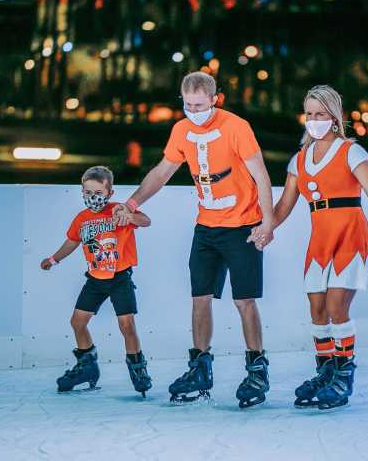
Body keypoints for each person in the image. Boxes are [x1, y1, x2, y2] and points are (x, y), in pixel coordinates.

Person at [113, 72, 275, 407]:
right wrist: (132, 202)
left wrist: (268, 223)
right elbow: (161, 172)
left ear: (215, 99)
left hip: (243, 226)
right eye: (187, 104)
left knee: (244, 300)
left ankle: (257, 368)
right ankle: (200, 366)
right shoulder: (181, 131)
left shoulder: (237, 126)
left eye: (200, 105)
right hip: (206, 228)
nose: (193, 110)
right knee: (200, 297)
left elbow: (260, 174)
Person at [262, 85, 368, 410]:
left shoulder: (352, 152)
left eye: (321, 114)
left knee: (336, 307)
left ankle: (344, 374)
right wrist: (264, 228)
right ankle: (326, 371)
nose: (314, 120)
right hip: (320, 241)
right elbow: (284, 206)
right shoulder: (298, 160)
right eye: (310, 114)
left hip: (350, 236)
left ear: (334, 117)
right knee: (317, 311)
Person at [40, 166, 153, 396]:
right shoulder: (81, 220)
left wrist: (129, 215)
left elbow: (145, 221)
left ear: (109, 193)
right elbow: (72, 242)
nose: (93, 197)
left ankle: (137, 367)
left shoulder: (118, 210)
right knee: (77, 322)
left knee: (127, 325)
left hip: (120, 278)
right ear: (82, 192)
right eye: (88, 192)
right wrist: (54, 258)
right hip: (95, 279)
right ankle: (87, 365)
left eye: (98, 193)